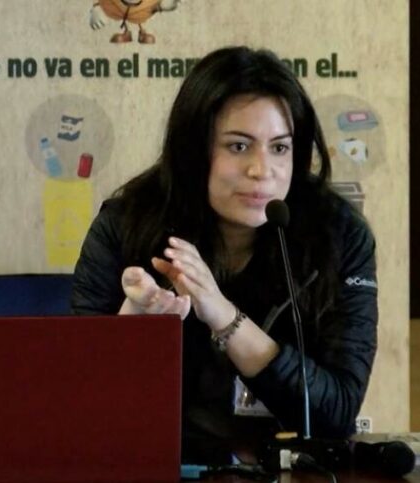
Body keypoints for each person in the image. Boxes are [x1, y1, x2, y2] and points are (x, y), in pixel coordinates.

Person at [71, 46, 378, 450]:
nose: (261, 170)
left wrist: (223, 316)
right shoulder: (125, 226)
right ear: (193, 151)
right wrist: (135, 327)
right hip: (161, 460)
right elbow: (78, 405)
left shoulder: (339, 235)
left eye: (280, 148)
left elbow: (336, 413)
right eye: (238, 146)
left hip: (288, 465)